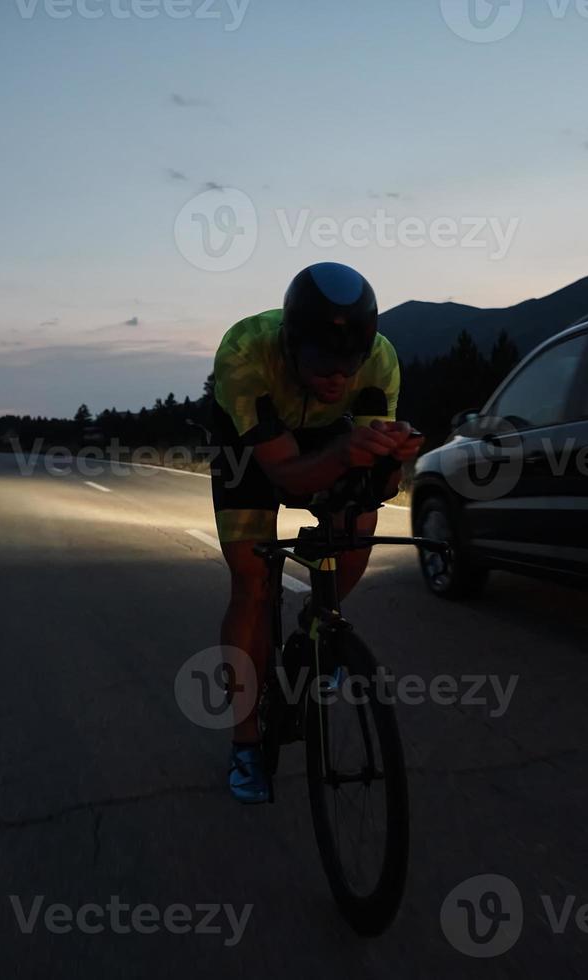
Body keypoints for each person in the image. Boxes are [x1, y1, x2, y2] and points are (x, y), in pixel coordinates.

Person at [209, 262, 423, 804]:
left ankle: (316, 632)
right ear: (290, 343)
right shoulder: (245, 353)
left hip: (328, 433)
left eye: (348, 363)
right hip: (251, 454)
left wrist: (392, 461)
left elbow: (380, 482)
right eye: (324, 361)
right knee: (252, 587)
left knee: (360, 520)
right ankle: (245, 743)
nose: (337, 376)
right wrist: (343, 453)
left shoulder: (379, 361)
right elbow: (282, 473)